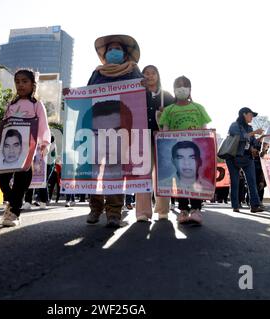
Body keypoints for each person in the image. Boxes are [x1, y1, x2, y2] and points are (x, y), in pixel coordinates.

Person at [85, 34, 143, 228]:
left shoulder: (134, 71)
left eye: (117, 49)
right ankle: (95, 208)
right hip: (96, 127)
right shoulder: (97, 73)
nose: (113, 52)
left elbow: (140, 96)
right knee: (95, 169)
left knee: (114, 169)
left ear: (125, 54)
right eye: (110, 49)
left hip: (120, 127)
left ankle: (114, 212)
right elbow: (85, 96)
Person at [0, 69, 50, 227]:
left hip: (27, 149)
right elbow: (4, 125)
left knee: (22, 180)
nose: (20, 85)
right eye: (17, 81)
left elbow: (43, 124)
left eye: (24, 81)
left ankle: (14, 212)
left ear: (33, 84)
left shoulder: (36, 105)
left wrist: (44, 143)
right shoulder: (11, 104)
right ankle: (12, 202)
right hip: (8, 148)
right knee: (2, 178)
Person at [159, 76, 212, 225]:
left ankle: (196, 210)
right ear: (174, 90)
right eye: (178, 86)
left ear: (190, 89)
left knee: (194, 180)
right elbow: (165, 132)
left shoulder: (199, 108)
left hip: (195, 151)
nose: (181, 88)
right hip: (176, 152)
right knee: (180, 180)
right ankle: (182, 210)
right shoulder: (169, 110)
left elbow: (205, 131)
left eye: (185, 86)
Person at [137, 65, 175, 222]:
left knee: (163, 175)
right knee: (142, 175)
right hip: (142, 138)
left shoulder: (167, 96)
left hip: (163, 140)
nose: (150, 76)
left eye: (153, 73)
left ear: (158, 76)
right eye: (146, 73)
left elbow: (175, 116)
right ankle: (142, 212)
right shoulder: (137, 93)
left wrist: (165, 114)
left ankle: (163, 209)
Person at [225, 107, 265, 214]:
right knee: (235, 182)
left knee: (252, 181)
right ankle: (235, 205)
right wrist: (254, 133)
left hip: (247, 157)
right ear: (244, 114)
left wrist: (260, 138)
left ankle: (255, 205)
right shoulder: (234, 125)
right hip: (233, 157)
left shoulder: (250, 128)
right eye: (251, 115)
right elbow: (240, 137)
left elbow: (252, 142)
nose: (252, 117)